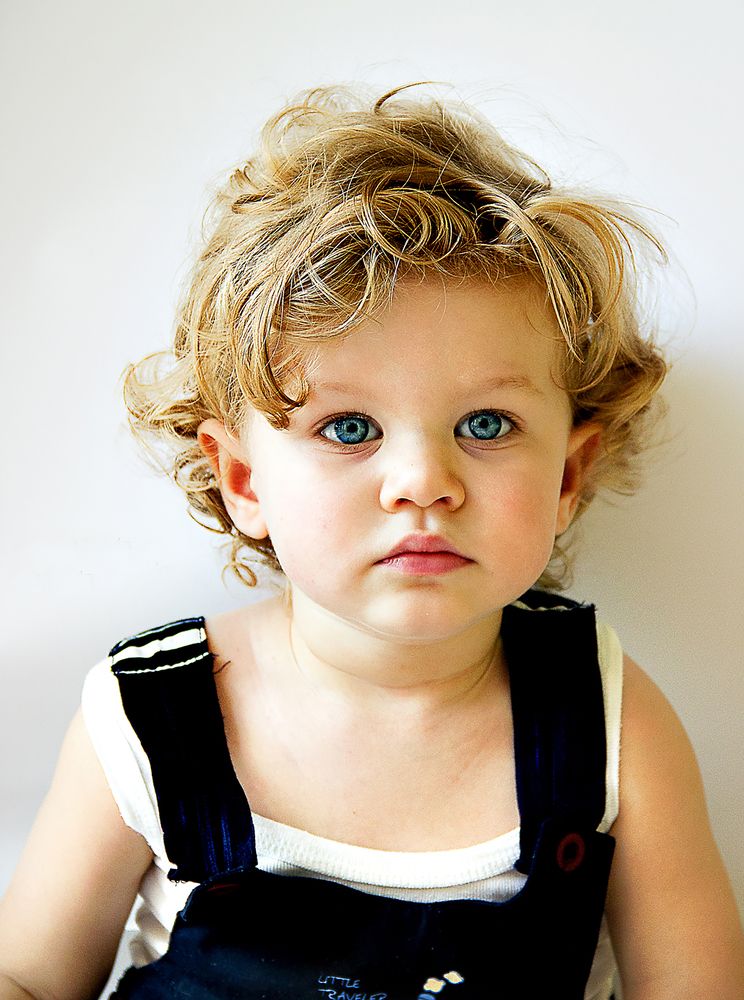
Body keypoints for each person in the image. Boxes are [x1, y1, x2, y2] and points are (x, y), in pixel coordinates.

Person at [0, 84, 742, 1000]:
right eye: (349, 429)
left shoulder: (611, 718)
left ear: (565, 477)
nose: (424, 481)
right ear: (244, 481)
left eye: (486, 424)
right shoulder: (149, 717)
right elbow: (27, 978)